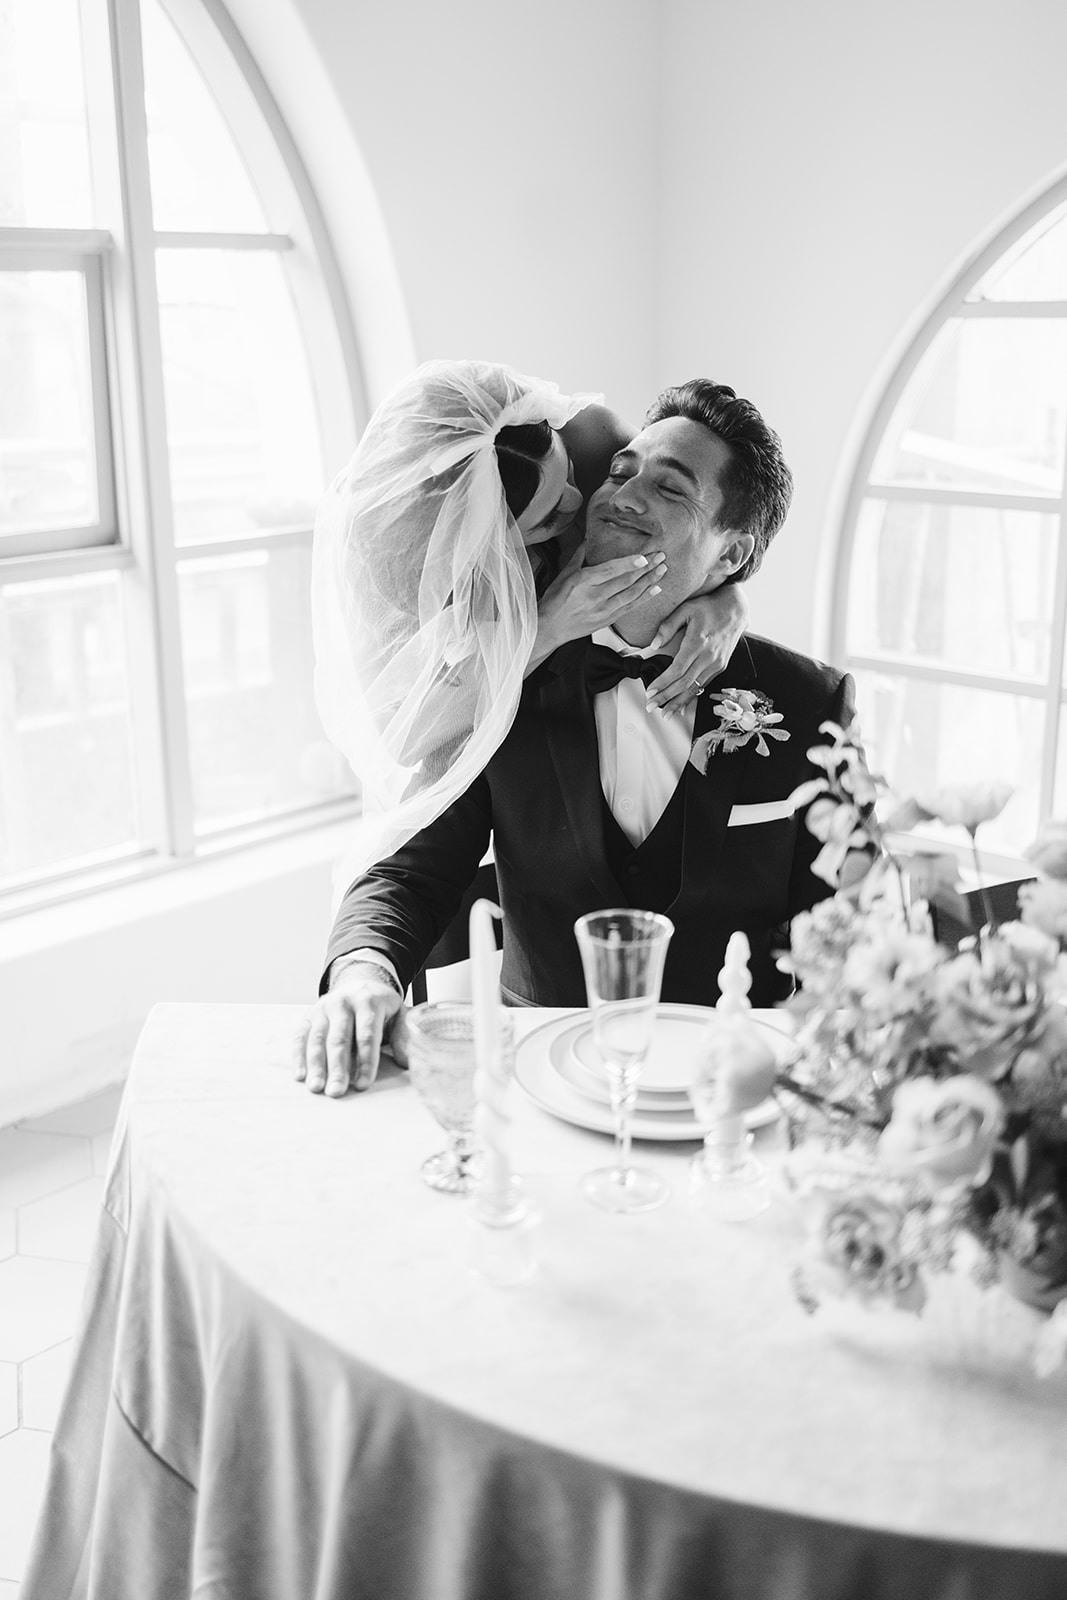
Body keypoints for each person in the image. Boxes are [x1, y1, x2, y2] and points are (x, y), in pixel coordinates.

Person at [297, 378, 859, 1096]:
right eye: (620, 472)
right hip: (536, 1082)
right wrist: (361, 974)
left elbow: (848, 920)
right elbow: (409, 869)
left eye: (671, 489)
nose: (624, 494)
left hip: (731, 1092)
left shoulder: (810, 702)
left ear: (730, 556)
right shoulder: (504, 681)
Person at [311, 360, 748, 885]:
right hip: (492, 726)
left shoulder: (595, 442)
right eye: (547, 519)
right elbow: (407, 736)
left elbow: (705, 525)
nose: (577, 500)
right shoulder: (398, 564)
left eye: (566, 475)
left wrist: (731, 598)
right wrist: (546, 627)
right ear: (479, 545)